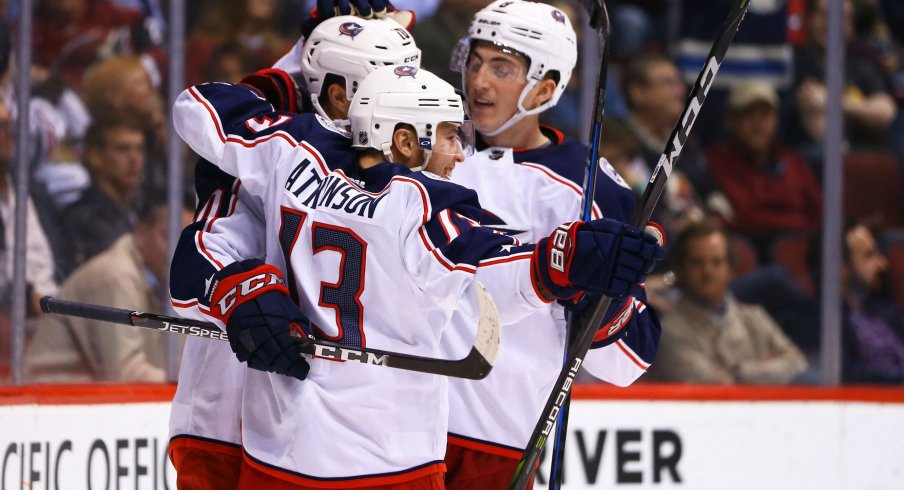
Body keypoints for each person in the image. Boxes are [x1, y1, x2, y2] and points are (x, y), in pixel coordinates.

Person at [172, 63, 663, 488]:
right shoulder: (423, 202)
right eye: (449, 135)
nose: (460, 153)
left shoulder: (295, 150)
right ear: (405, 141)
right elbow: (488, 274)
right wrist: (568, 258)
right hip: (389, 464)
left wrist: (296, 99)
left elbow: (197, 107)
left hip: (280, 453)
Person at [167, 13, 424, 489]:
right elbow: (198, 256)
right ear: (340, 94)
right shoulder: (277, 153)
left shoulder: (413, 180)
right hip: (227, 422)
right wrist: (238, 290)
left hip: (346, 442)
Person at [443, 2, 662, 486]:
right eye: (475, 61)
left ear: (544, 88)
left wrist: (597, 294)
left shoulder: (588, 189)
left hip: (493, 444)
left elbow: (629, 360)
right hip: (392, 427)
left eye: (501, 68)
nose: (478, 81)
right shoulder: (422, 144)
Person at [24, 199, 191, 382]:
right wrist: (189, 382)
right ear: (141, 232)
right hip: (44, 400)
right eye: (169, 237)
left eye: (188, 243)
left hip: (82, 402)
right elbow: (123, 375)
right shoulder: (116, 276)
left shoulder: (164, 277)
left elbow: (174, 362)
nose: (179, 251)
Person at [645, 222, 807, 384]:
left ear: (730, 266)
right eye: (697, 262)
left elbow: (796, 364)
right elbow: (714, 384)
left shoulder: (754, 317)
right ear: (680, 268)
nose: (707, 271)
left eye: (716, 262)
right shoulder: (668, 330)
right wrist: (765, 369)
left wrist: (739, 372)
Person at [706, 80, 823, 262]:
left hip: (805, 253)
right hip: (757, 252)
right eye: (749, 114)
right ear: (731, 121)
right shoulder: (717, 161)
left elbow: (818, 212)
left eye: (766, 114)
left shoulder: (794, 161)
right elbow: (745, 217)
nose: (758, 124)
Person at [59, 112, 146, 277]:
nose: (134, 158)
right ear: (95, 156)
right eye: (123, 149)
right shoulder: (83, 219)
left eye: (139, 149)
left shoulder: (142, 210)